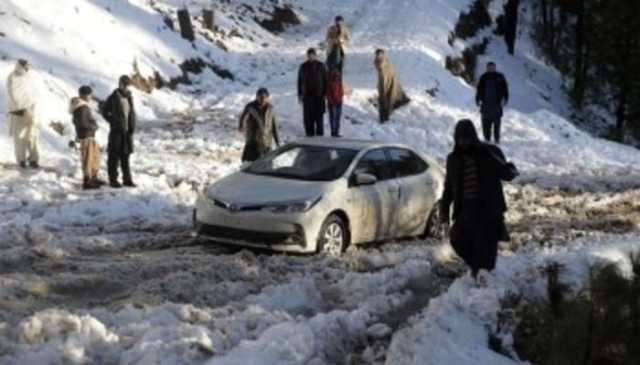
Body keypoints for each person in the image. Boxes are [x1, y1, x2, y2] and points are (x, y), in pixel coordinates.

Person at [440, 119, 519, 286]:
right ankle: (477, 268)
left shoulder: (487, 153)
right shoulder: (453, 159)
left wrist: (510, 168)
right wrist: (444, 213)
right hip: (465, 210)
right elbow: (449, 188)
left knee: (485, 245)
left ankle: (485, 281)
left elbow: (506, 173)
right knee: (456, 238)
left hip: (487, 209)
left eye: (466, 138)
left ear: (473, 137)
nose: (463, 142)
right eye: (460, 139)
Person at [102, 75, 136, 188]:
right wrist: (113, 121)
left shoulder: (129, 97)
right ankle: (113, 180)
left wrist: (132, 126)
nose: (125, 87)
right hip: (116, 132)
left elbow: (131, 113)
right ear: (119, 83)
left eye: (127, 85)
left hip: (127, 132)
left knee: (125, 156)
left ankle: (127, 180)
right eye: (123, 84)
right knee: (114, 156)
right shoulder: (113, 97)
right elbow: (105, 111)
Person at [6, 59, 40, 169]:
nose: (28, 68)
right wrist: (24, 107)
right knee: (20, 138)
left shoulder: (28, 77)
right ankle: (21, 160)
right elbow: (14, 95)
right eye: (26, 66)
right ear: (21, 66)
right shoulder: (12, 78)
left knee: (33, 136)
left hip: (31, 111)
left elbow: (33, 93)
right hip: (19, 112)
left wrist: (33, 105)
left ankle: (33, 159)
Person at [70, 86, 104, 190]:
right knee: (88, 159)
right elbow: (82, 122)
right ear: (84, 95)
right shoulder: (81, 107)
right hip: (86, 136)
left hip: (89, 135)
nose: (90, 97)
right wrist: (94, 126)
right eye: (89, 95)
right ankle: (87, 181)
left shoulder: (82, 106)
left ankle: (93, 178)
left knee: (95, 157)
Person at [239, 88, 280, 162]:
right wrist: (241, 126)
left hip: (266, 142)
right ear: (257, 97)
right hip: (253, 141)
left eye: (264, 98)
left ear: (267, 98)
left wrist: (277, 141)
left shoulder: (270, 109)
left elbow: (274, 126)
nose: (262, 100)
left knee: (266, 163)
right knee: (249, 163)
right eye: (260, 97)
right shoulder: (251, 107)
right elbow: (243, 117)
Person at [476, 62, 509, 144]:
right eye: (489, 67)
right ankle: (487, 139)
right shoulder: (483, 77)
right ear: (487, 68)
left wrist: (505, 98)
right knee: (485, 123)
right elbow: (479, 89)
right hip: (486, 104)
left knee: (497, 124)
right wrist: (477, 99)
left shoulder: (500, 76)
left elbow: (505, 88)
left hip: (496, 104)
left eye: (492, 67)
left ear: (495, 68)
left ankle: (497, 139)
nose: (491, 69)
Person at [298, 48, 328, 137]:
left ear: (315, 55)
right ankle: (309, 136)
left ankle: (320, 138)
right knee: (308, 119)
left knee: (319, 119)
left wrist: (326, 94)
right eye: (309, 55)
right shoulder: (303, 66)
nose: (311, 57)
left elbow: (326, 80)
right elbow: (299, 82)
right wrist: (300, 95)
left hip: (319, 97)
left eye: (312, 55)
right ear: (307, 56)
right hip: (307, 97)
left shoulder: (321, 66)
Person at [374, 49, 410, 123]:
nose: (380, 56)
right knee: (384, 100)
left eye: (381, 55)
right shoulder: (381, 63)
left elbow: (389, 74)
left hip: (390, 84)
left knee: (388, 99)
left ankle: (385, 116)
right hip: (385, 84)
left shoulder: (385, 63)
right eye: (378, 55)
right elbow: (383, 75)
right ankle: (383, 117)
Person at [326, 69, 344, 137]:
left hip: (339, 102)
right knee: (333, 117)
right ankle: (333, 132)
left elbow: (341, 91)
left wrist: (340, 99)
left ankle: (336, 131)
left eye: (337, 75)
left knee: (337, 117)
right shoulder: (329, 82)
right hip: (332, 103)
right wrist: (331, 101)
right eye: (335, 75)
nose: (336, 76)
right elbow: (328, 93)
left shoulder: (339, 82)